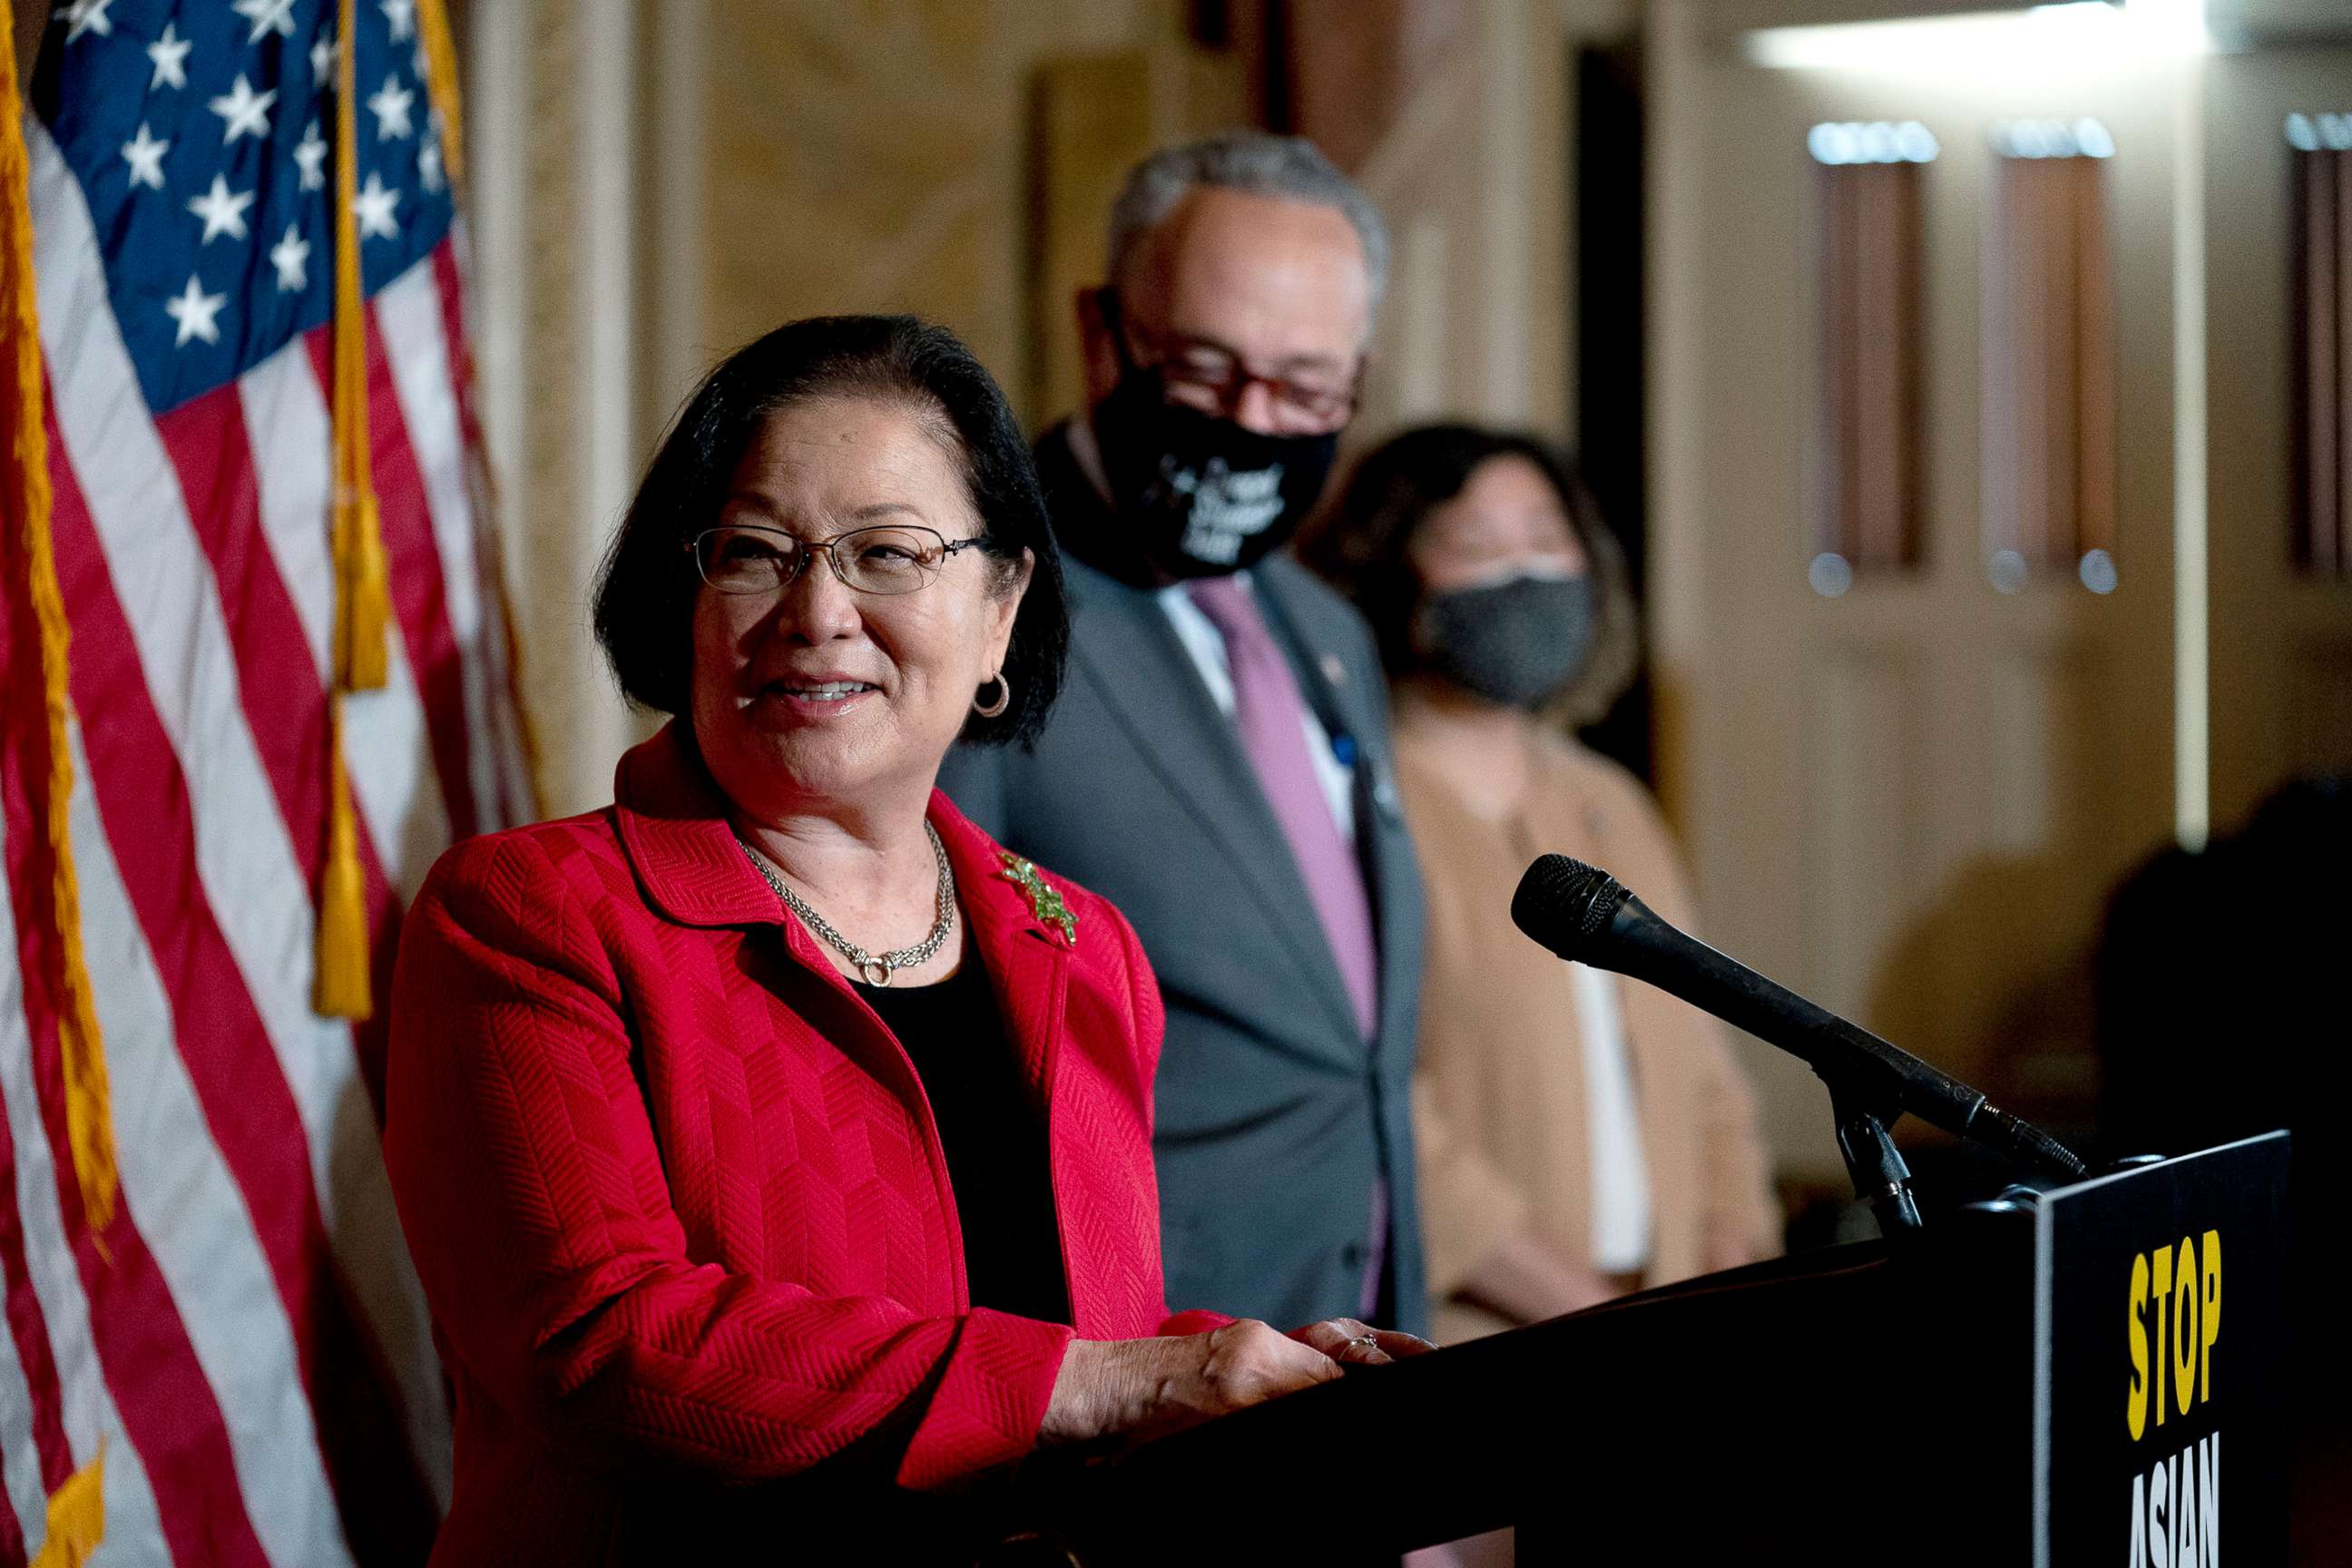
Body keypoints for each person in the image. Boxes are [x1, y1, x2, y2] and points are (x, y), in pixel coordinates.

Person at [382, 315, 1426, 1563]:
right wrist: (1121, 1381)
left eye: (888, 553)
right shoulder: (532, 913)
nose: (818, 611)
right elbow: (602, 1345)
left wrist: (1239, 1373)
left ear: (1000, 609)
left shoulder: (1079, 946)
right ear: (686, 594)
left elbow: (1067, 1326)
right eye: (757, 552)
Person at [936, 132, 1429, 1338]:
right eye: (1207, 373)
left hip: (1355, 1319)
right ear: (1103, 336)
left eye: (1308, 392)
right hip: (1135, 1356)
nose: (1255, 427)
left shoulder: (1322, 629)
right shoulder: (970, 600)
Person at [1299, 423, 1778, 1344]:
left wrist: (1730, 1254)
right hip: (1477, 1339)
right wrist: (1587, 1311)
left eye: (1546, 537)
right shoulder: (1350, 808)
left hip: (1675, 1329)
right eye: (1476, 545)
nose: (1524, 569)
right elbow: (1382, 1116)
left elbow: (1709, 1070)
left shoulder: (1610, 801)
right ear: (1389, 570)